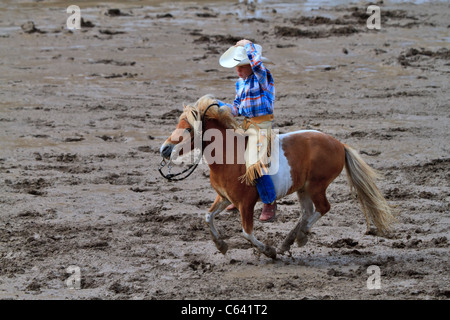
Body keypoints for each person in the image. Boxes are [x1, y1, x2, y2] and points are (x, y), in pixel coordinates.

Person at [216, 39, 277, 222]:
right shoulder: (239, 84)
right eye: (237, 67)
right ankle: (238, 196)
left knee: (255, 163)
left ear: (251, 65)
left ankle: (270, 202)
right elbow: (237, 108)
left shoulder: (263, 77)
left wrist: (247, 44)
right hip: (247, 124)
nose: (238, 70)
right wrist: (219, 106)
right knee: (231, 156)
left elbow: (257, 64)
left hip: (263, 125)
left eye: (242, 66)